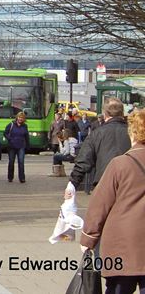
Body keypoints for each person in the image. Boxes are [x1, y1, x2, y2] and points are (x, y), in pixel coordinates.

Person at [79, 109, 145, 294]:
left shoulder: (120, 164)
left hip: (123, 244)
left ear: (133, 133)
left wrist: (88, 238)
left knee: (118, 289)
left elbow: (100, 204)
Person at [69, 98, 131, 195]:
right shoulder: (134, 134)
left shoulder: (96, 134)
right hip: (130, 186)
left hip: (104, 184)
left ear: (105, 114)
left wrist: (72, 185)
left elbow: (83, 161)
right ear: (122, 113)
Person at [4, 112, 30, 183]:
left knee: (21, 162)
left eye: (22, 118)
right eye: (19, 117)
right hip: (12, 146)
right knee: (11, 162)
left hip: (21, 146)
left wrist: (28, 145)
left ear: (24, 119)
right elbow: (5, 133)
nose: (20, 119)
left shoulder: (25, 126)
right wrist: (10, 139)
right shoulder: (11, 124)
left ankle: (22, 178)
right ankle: (10, 177)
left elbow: (26, 136)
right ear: (17, 117)